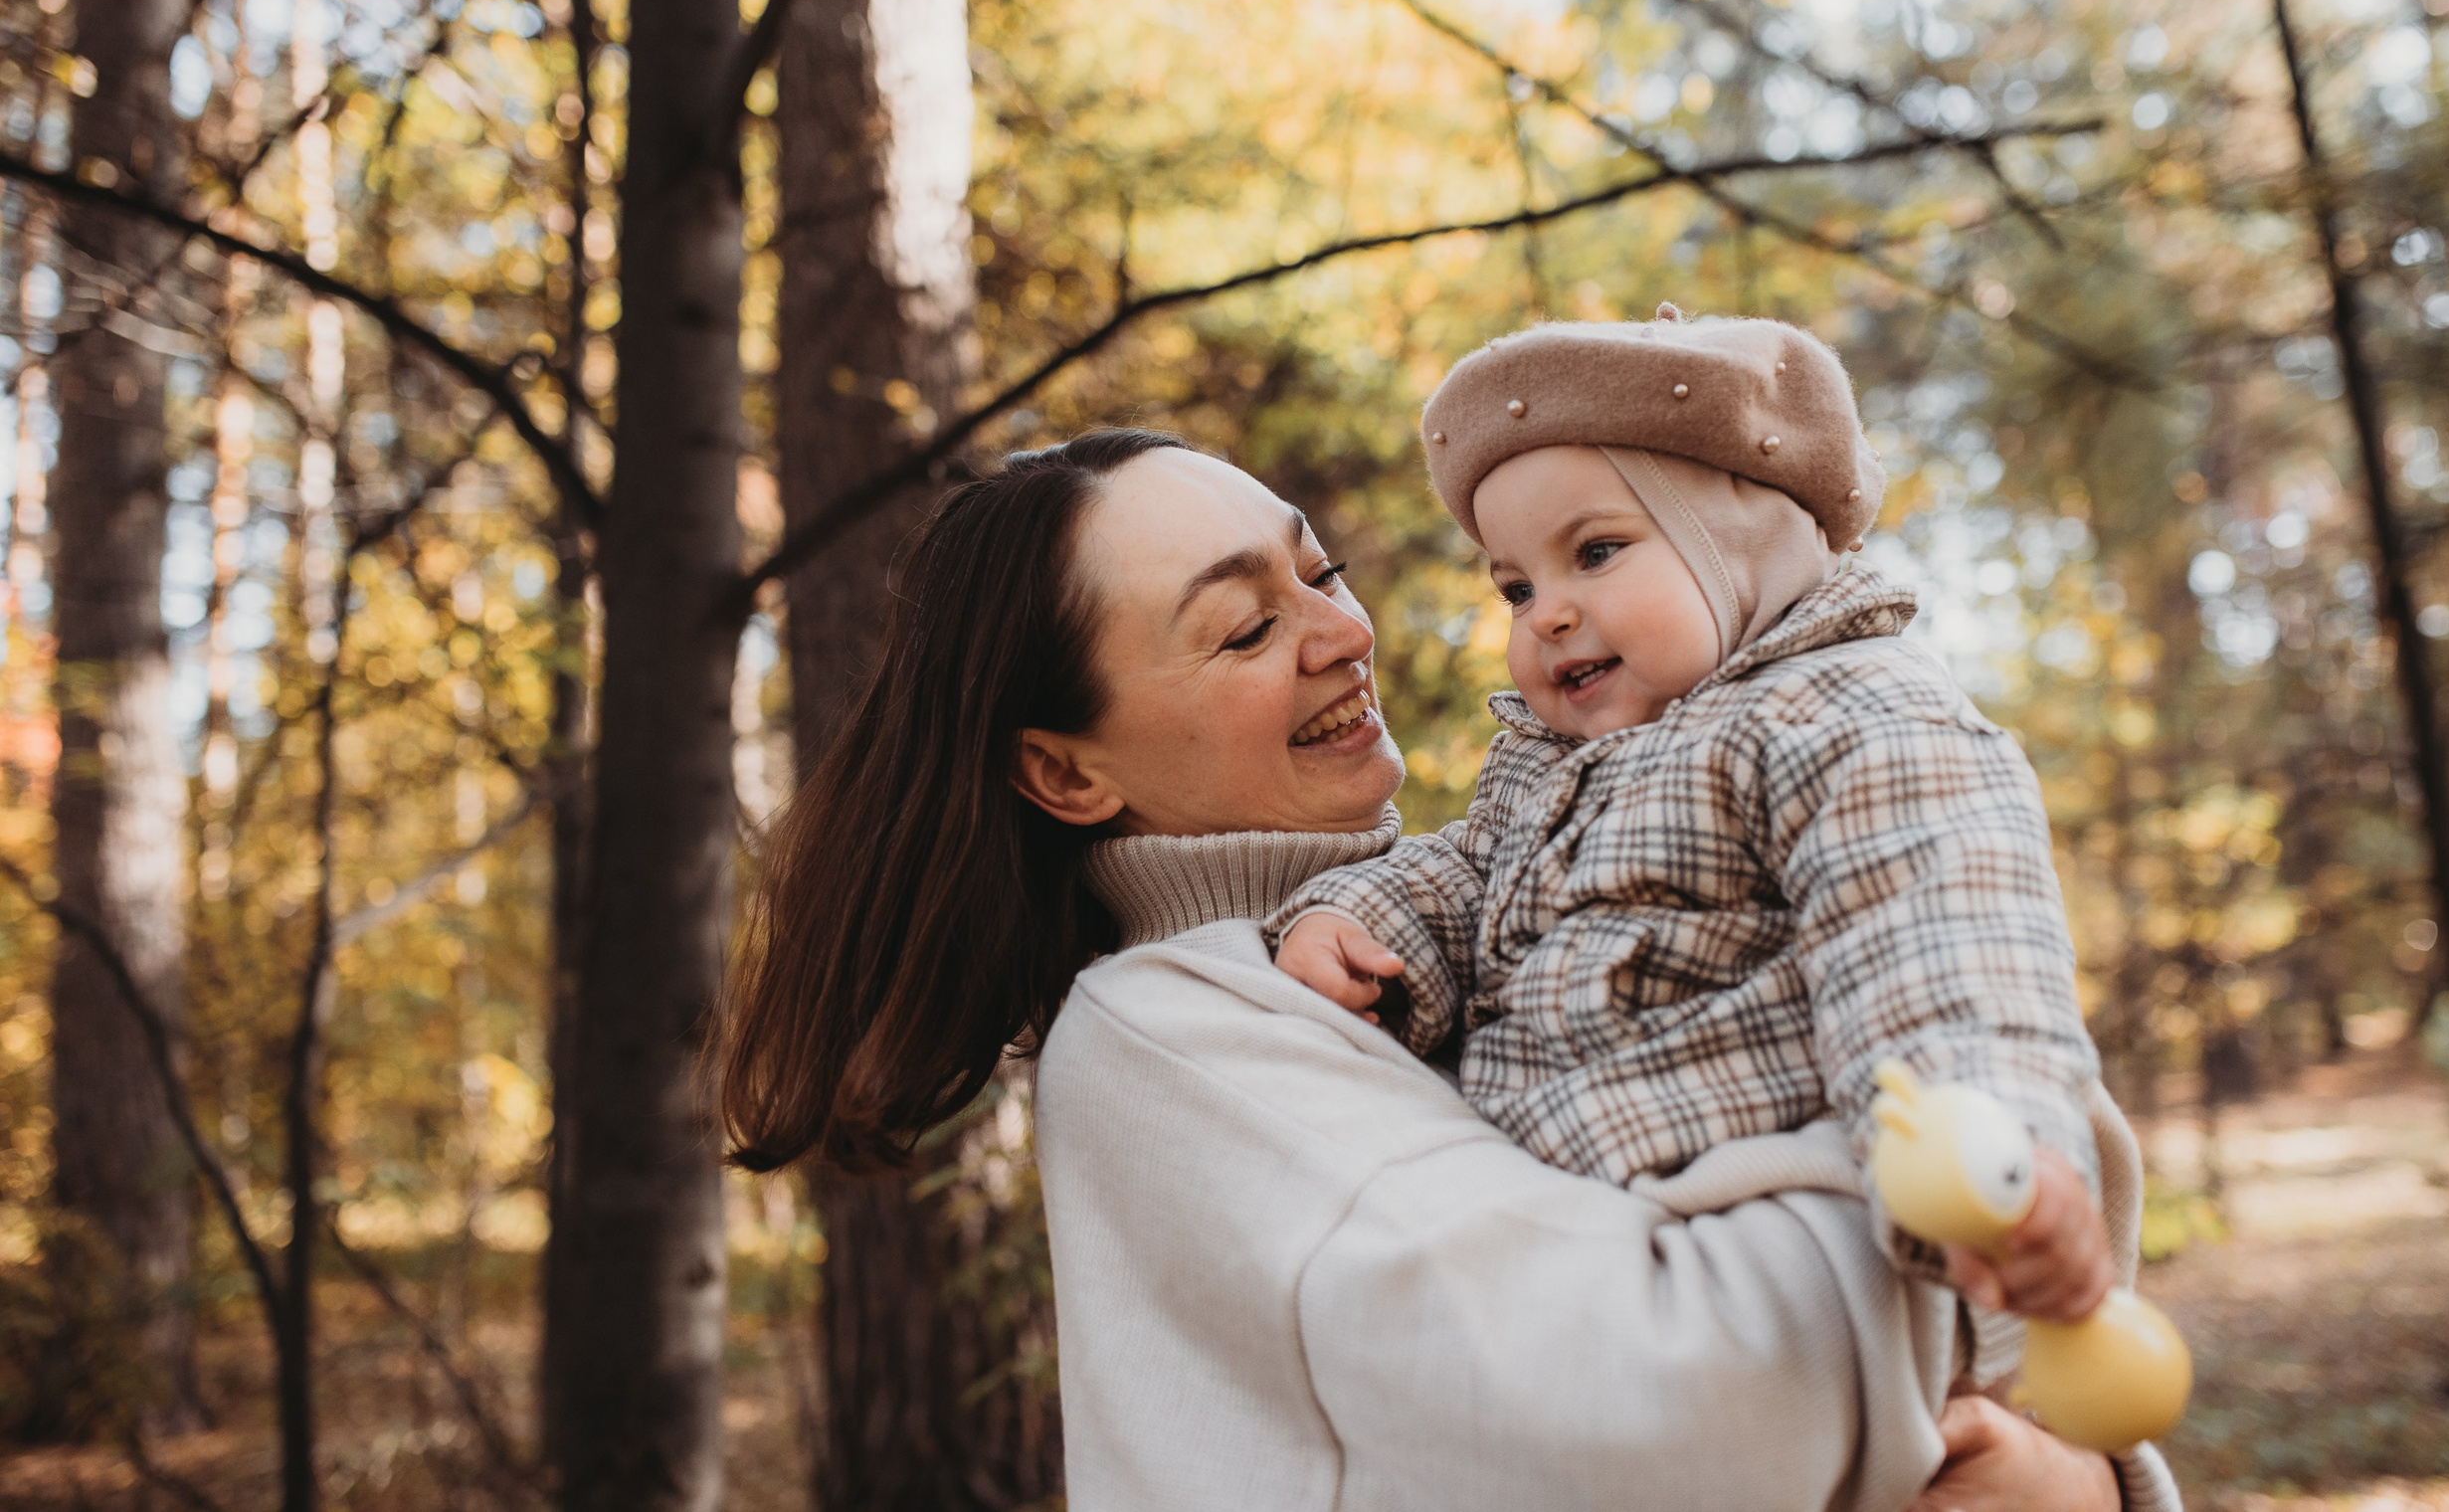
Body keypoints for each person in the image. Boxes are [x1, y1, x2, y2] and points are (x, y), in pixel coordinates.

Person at [717, 427, 2178, 1512]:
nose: (1344, 631)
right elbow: (1694, 1413)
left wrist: (2093, 1482)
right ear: (1064, 767)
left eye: (1318, 569)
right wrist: (1946, 1173)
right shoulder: (1178, 1029)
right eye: (1245, 623)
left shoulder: (1476, 919)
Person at [1267, 309, 2119, 1334]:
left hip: (1763, 1238)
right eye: (1516, 584)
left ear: (1742, 541)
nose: (1546, 612)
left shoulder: (1845, 714)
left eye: (1596, 550)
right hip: (1559, 1244)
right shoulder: (1549, 765)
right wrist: (1357, 922)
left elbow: (1937, 946)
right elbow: (1463, 877)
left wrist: (1992, 1155)